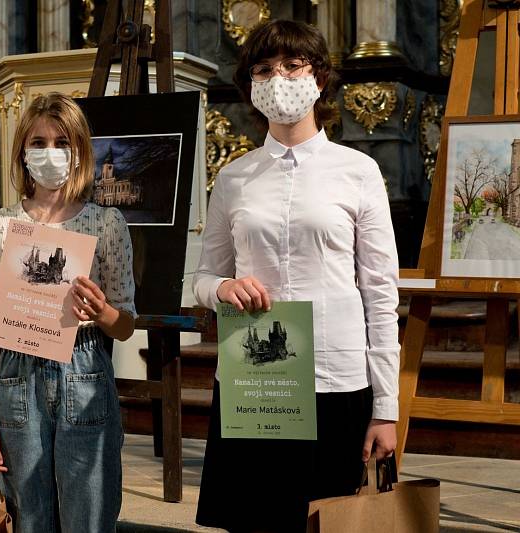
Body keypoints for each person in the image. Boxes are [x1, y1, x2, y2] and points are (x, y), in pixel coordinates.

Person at [193, 20, 400, 533]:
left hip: (335, 378)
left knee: (327, 521)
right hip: (256, 379)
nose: (278, 78)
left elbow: (380, 290)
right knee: (256, 522)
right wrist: (221, 287)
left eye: (292, 65)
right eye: (264, 69)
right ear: (250, 87)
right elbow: (199, 276)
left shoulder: (357, 171)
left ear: (320, 77)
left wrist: (387, 408)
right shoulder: (235, 178)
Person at [0, 92, 136, 533]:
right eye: (38, 142)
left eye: (61, 142)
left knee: (89, 513)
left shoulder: (106, 224)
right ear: (23, 152)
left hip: (82, 367)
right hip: (16, 376)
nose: (50, 153)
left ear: (79, 150)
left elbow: (125, 325)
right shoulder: (0, 226)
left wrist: (102, 312)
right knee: (29, 516)